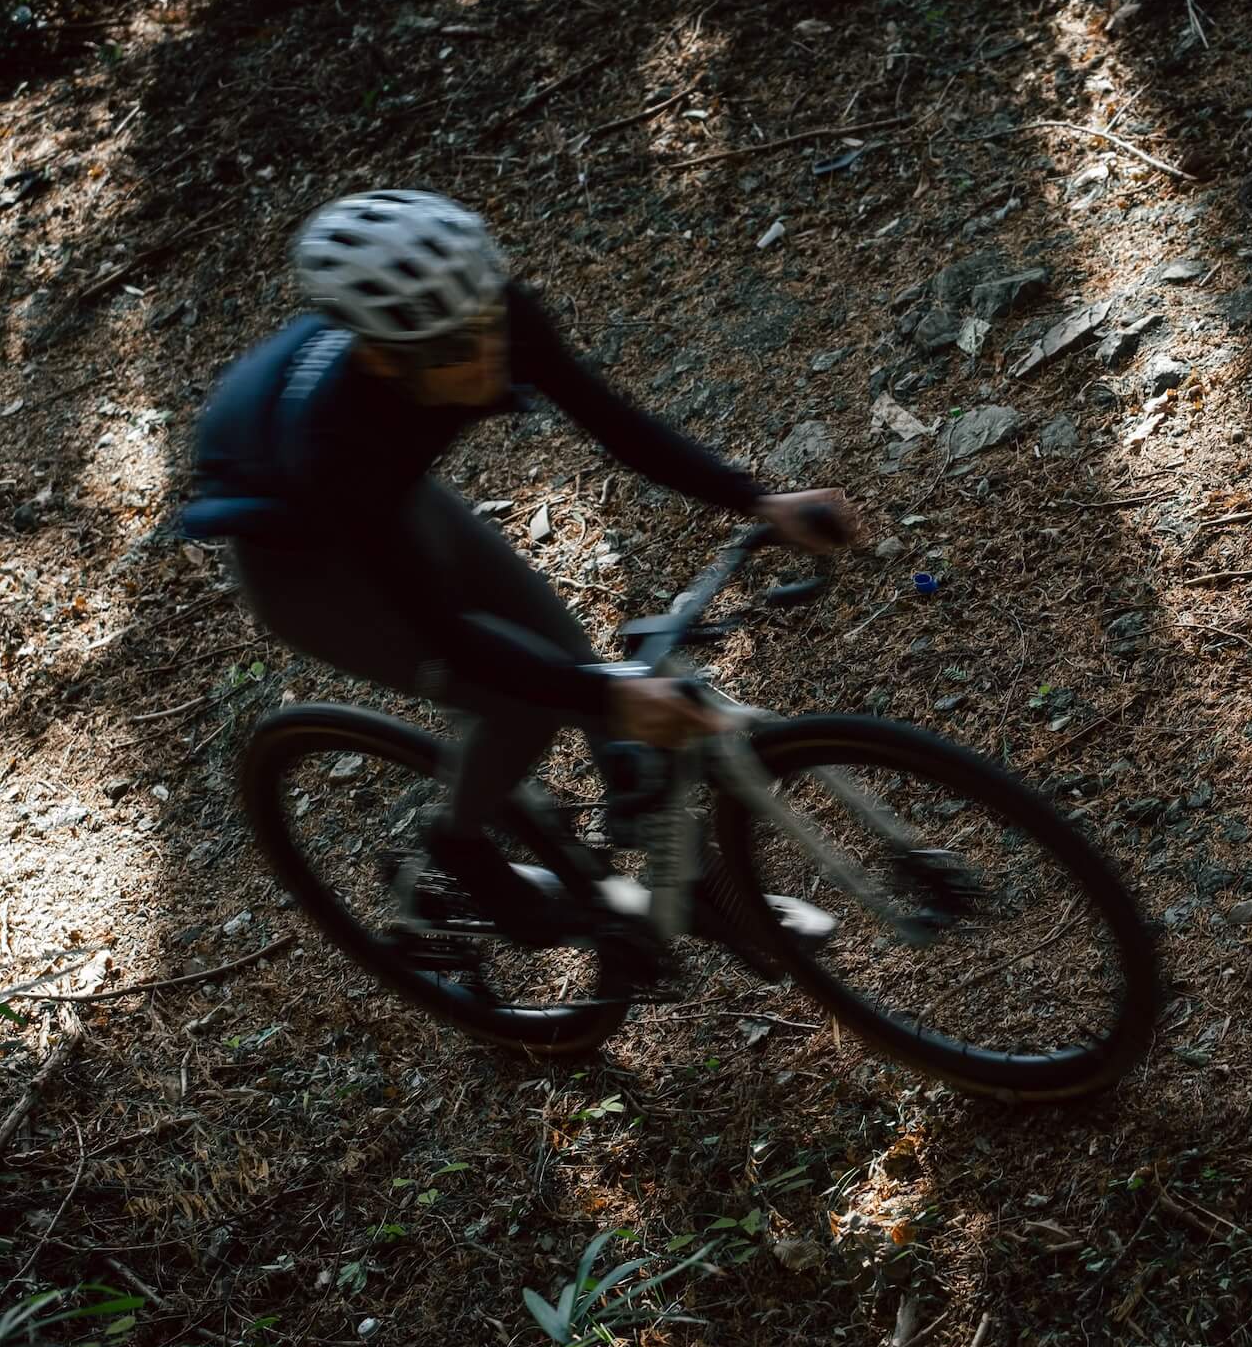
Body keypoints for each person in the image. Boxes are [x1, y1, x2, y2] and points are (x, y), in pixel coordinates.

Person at [184, 189, 852, 943]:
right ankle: (459, 849)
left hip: (390, 500)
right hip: (304, 568)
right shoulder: (334, 445)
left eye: (486, 328)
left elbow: (614, 423)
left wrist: (757, 499)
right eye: (453, 349)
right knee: (523, 698)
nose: (487, 360)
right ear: (381, 357)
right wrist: (609, 696)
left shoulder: (492, 316)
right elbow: (448, 636)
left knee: (565, 652)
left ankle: (672, 862)